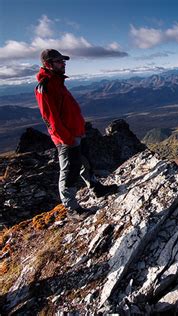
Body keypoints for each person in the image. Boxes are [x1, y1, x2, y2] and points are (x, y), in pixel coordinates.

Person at [35, 49, 117, 218]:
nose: (63, 64)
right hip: (66, 138)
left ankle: (96, 188)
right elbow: (50, 119)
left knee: (85, 162)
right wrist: (66, 139)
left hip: (77, 133)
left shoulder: (58, 83)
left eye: (63, 61)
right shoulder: (45, 87)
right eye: (59, 61)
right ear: (48, 64)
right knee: (69, 171)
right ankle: (72, 208)